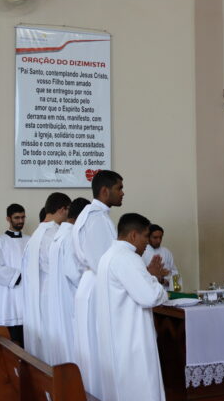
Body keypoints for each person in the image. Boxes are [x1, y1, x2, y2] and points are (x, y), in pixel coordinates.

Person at [72, 170, 167, 398]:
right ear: (105, 191)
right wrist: (151, 277)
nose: (123, 193)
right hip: (122, 321)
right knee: (135, 376)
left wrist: (143, 276)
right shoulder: (98, 221)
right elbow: (147, 294)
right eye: (119, 188)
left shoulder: (92, 219)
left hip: (102, 298)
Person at [95, 213, 168, 401]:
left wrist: (149, 277)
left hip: (117, 336)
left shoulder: (108, 256)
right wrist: (155, 278)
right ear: (133, 235)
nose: (147, 243)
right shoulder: (128, 258)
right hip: (132, 339)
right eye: (146, 236)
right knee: (141, 388)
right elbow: (151, 296)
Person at [22, 192, 71, 363]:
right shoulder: (56, 235)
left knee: (44, 344)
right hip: (54, 296)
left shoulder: (36, 235)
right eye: (68, 211)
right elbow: (67, 270)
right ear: (62, 209)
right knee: (56, 343)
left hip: (39, 296)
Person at [45, 197, 90, 365]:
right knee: (74, 349)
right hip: (71, 299)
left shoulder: (60, 235)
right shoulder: (71, 236)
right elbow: (74, 272)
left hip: (61, 299)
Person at [0, 203, 30, 346]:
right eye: (17, 218)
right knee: (11, 342)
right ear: (8, 219)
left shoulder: (30, 240)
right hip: (8, 298)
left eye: (23, 217)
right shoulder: (0, 241)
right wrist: (17, 276)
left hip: (26, 296)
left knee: (27, 343)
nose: (21, 221)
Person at [142, 224, 180, 289]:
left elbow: (175, 275)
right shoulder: (142, 251)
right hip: (148, 290)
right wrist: (156, 275)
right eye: (155, 237)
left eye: (160, 237)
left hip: (166, 291)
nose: (158, 241)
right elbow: (139, 275)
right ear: (148, 237)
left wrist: (165, 280)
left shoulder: (167, 252)